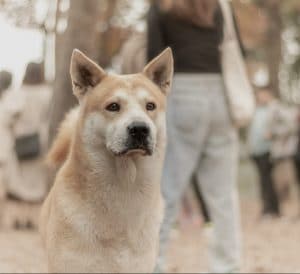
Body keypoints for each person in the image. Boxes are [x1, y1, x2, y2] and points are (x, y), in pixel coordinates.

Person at [147, 1, 243, 272]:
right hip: (221, 95)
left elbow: (154, 58)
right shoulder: (219, 5)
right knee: (223, 192)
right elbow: (238, 50)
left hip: (183, 93)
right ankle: (228, 265)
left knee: (167, 188)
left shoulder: (161, 7)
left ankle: (153, 262)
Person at [12, 62, 52, 203]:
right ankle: (35, 219)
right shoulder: (47, 92)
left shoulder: (20, 92)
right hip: (42, 139)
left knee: (24, 179)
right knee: (40, 177)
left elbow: (10, 115)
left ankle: (23, 218)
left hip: (22, 138)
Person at [248, 87, 280, 217]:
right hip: (256, 151)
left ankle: (273, 209)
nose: (260, 97)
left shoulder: (274, 108)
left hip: (268, 150)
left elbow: (286, 125)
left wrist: (273, 133)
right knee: (262, 180)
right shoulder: (255, 110)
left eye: (263, 94)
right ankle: (266, 208)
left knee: (268, 181)